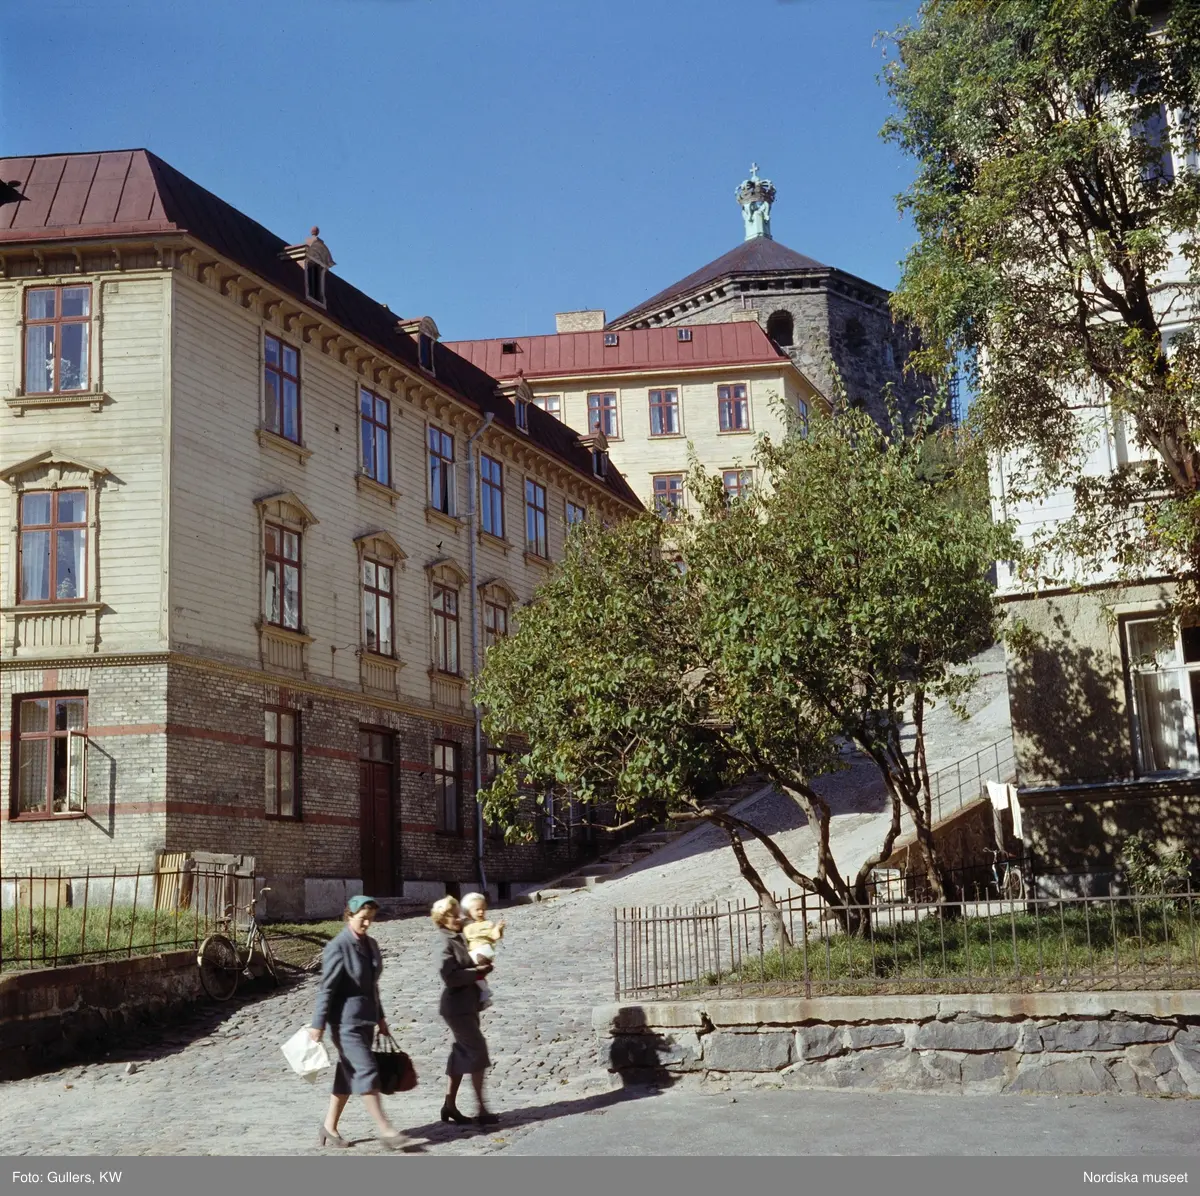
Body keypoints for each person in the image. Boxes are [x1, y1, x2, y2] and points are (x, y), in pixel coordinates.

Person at [309, 895, 407, 1150]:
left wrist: (381, 1017)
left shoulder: (370, 944)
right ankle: (385, 1129)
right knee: (366, 1070)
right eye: (363, 918)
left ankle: (329, 1127)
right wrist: (317, 1025)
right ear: (349, 916)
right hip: (344, 1024)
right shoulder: (337, 947)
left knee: (346, 1074)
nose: (367, 923)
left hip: (367, 1021)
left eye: (371, 919)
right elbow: (326, 989)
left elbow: (372, 986)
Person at [431, 895, 498, 1126]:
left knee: (461, 1053)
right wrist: (477, 973)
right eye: (454, 915)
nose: (460, 917)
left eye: (459, 913)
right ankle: (481, 1109)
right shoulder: (444, 942)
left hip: (468, 1004)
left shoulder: (459, 935)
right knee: (478, 1052)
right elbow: (449, 977)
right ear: (443, 919)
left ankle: (450, 1105)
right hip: (456, 1007)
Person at [460, 892, 505, 1009]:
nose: (481, 912)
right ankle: (484, 995)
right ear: (468, 911)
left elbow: (494, 936)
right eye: (477, 909)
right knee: (476, 974)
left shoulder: (487, 924)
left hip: (484, 950)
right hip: (474, 951)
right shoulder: (467, 925)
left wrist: (498, 928)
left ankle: (485, 991)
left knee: (469, 966)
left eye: (483, 909)